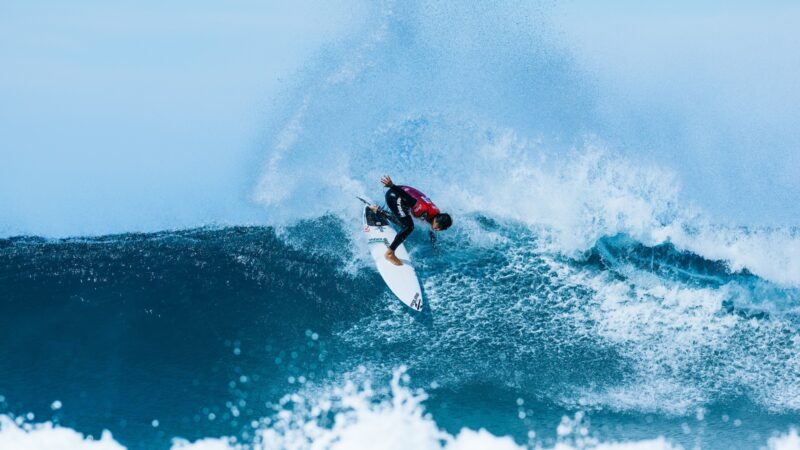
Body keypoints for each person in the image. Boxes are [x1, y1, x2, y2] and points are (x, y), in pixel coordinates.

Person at [371, 175, 452, 266]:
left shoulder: (435, 213)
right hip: (395, 195)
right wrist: (392, 185)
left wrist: (434, 245)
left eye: (441, 229)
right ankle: (389, 253)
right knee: (409, 227)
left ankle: (378, 211)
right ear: (436, 221)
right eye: (439, 227)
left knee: (404, 223)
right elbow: (410, 199)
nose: (438, 230)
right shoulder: (423, 210)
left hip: (402, 196)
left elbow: (431, 229)